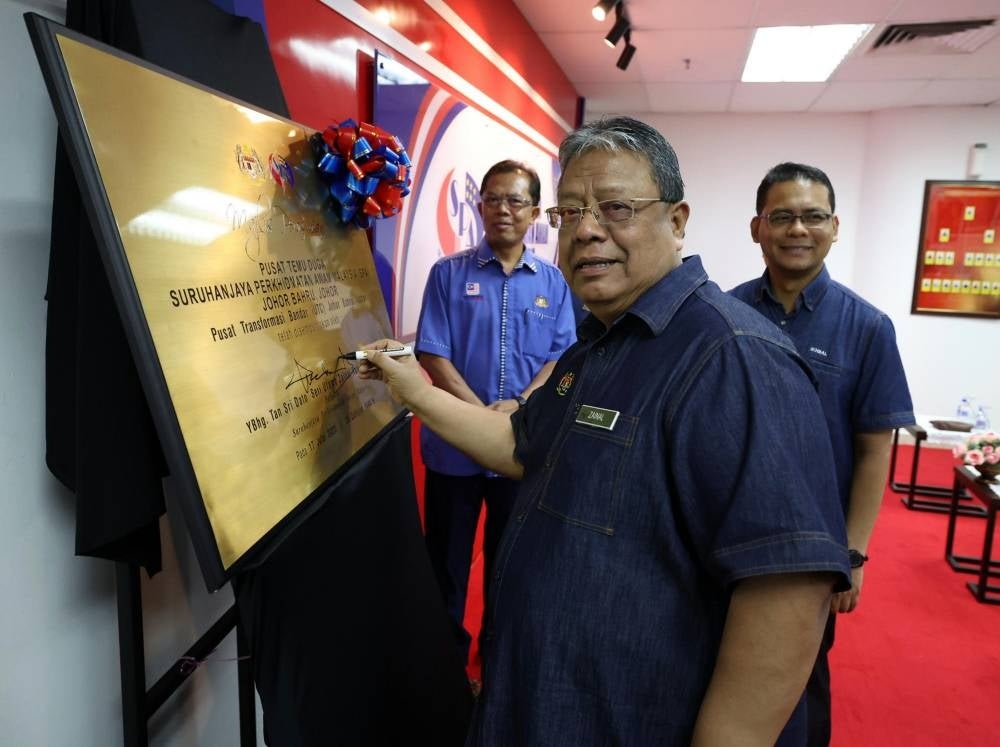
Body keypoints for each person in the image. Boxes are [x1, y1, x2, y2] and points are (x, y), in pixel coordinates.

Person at [361, 117, 850, 745]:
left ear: (678, 221)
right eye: (570, 213)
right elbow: (518, 445)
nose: (588, 228)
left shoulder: (734, 357)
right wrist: (413, 391)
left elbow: (788, 592)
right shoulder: (598, 346)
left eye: (616, 208)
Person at [730, 162, 915, 746]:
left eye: (812, 217)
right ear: (756, 228)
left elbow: (872, 450)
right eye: (781, 216)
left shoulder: (867, 328)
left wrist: (853, 555)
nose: (797, 229)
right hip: (727, 535)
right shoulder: (720, 315)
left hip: (813, 551)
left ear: (835, 227)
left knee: (800, 682)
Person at [414, 160, 577, 671]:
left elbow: (561, 357)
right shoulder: (448, 274)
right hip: (454, 451)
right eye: (492, 198)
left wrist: (524, 403)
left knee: (511, 568)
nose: (502, 210)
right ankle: (444, 674)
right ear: (479, 204)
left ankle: (498, 666)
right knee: (446, 569)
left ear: (534, 212)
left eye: (515, 201)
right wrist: (477, 414)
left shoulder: (555, 281)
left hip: (519, 450)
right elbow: (432, 353)